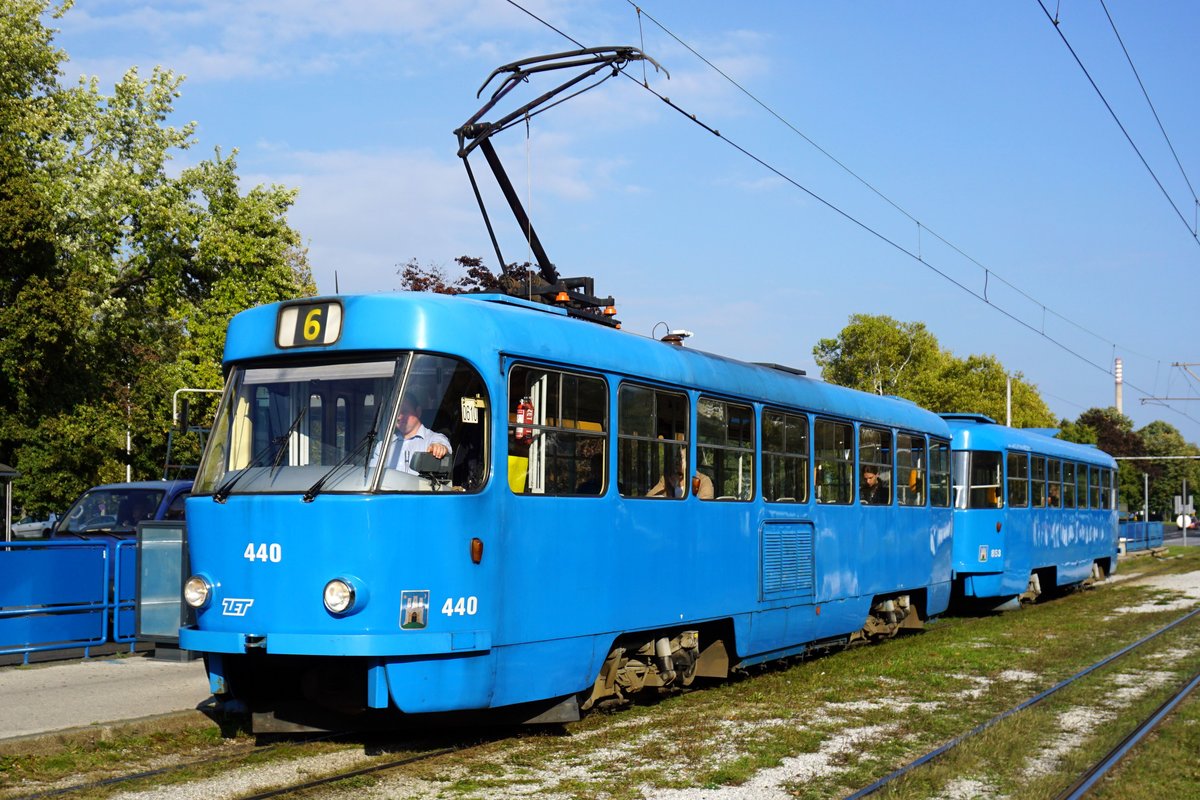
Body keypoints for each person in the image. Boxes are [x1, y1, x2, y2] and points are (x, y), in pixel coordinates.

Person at [383, 398, 451, 475]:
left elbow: (442, 443)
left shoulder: (433, 438)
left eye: (404, 411)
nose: (398, 417)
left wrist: (438, 448)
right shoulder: (383, 445)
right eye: (395, 412)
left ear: (418, 412)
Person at [647, 447, 714, 499]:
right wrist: (667, 489)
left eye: (681, 458)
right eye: (676, 457)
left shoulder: (704, 481)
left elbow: (704, 507)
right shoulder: (667, 479)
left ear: (691, 461)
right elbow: (648, 498)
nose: (677, 461)